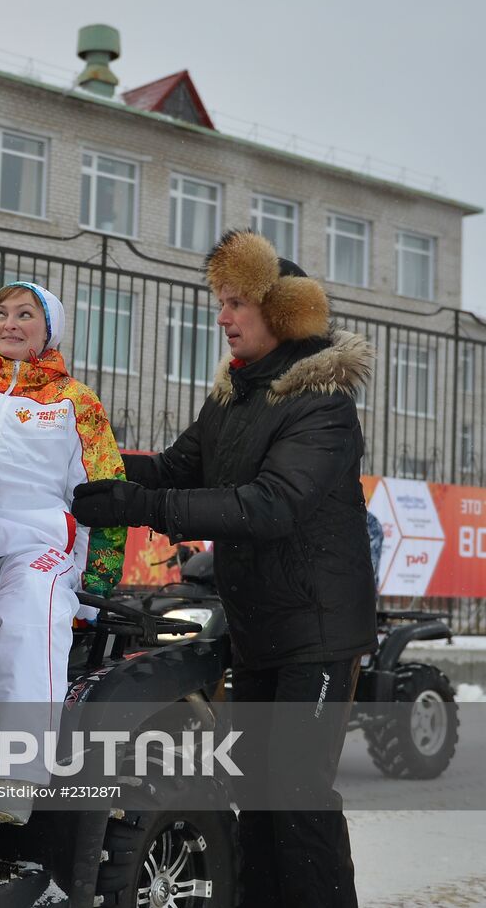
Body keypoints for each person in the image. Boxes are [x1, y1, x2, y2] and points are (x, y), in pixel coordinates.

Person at [70, 229, 376, 908]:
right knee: (258, 791)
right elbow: (180, 469)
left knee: (296, 791)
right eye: (222, 302)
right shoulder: (233, 395)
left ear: (284, 313)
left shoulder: (322, 403)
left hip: (319, 632)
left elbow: (271, 505)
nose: (224, 316)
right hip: (261, 623)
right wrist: (87, 462)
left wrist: (143, 503)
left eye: (238, 302)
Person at [0, 281, 127, 864]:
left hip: (38, 543)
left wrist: (98, 580)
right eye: (2, 314)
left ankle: (15, 776)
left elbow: (106, 490)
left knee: (26, 617)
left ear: (49, 328)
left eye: (25, 315)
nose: (10, 324)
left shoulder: (74, 402)